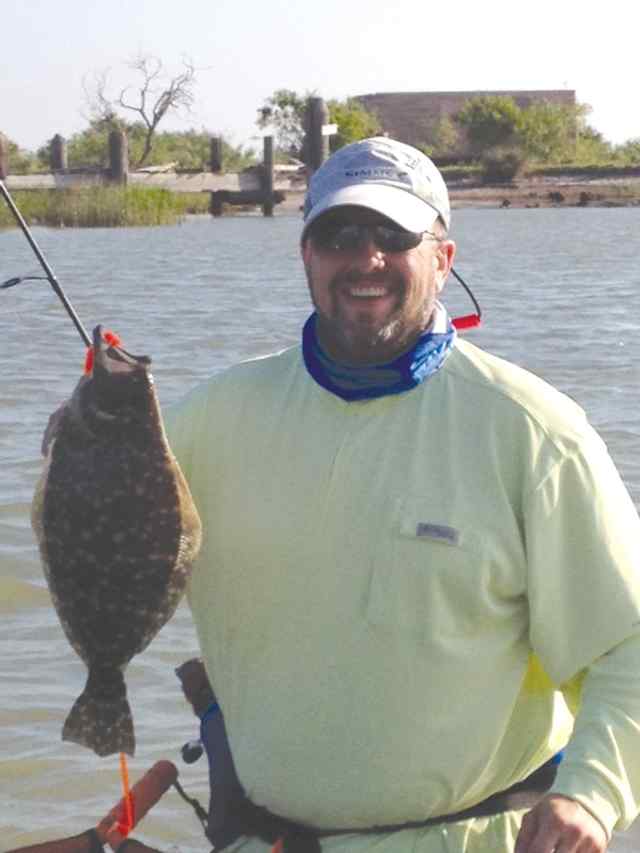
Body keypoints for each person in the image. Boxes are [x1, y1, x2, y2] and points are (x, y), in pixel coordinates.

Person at [165, 136, 640, 853]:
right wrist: (82, 447)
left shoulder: (536, 430)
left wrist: (591, 794)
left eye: (394, 236)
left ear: (443, 259)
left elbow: (624, 645)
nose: (367, 259)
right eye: (340, 235)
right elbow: (105, 561)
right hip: (263, 838)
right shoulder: (204, 419)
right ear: (306, 256)